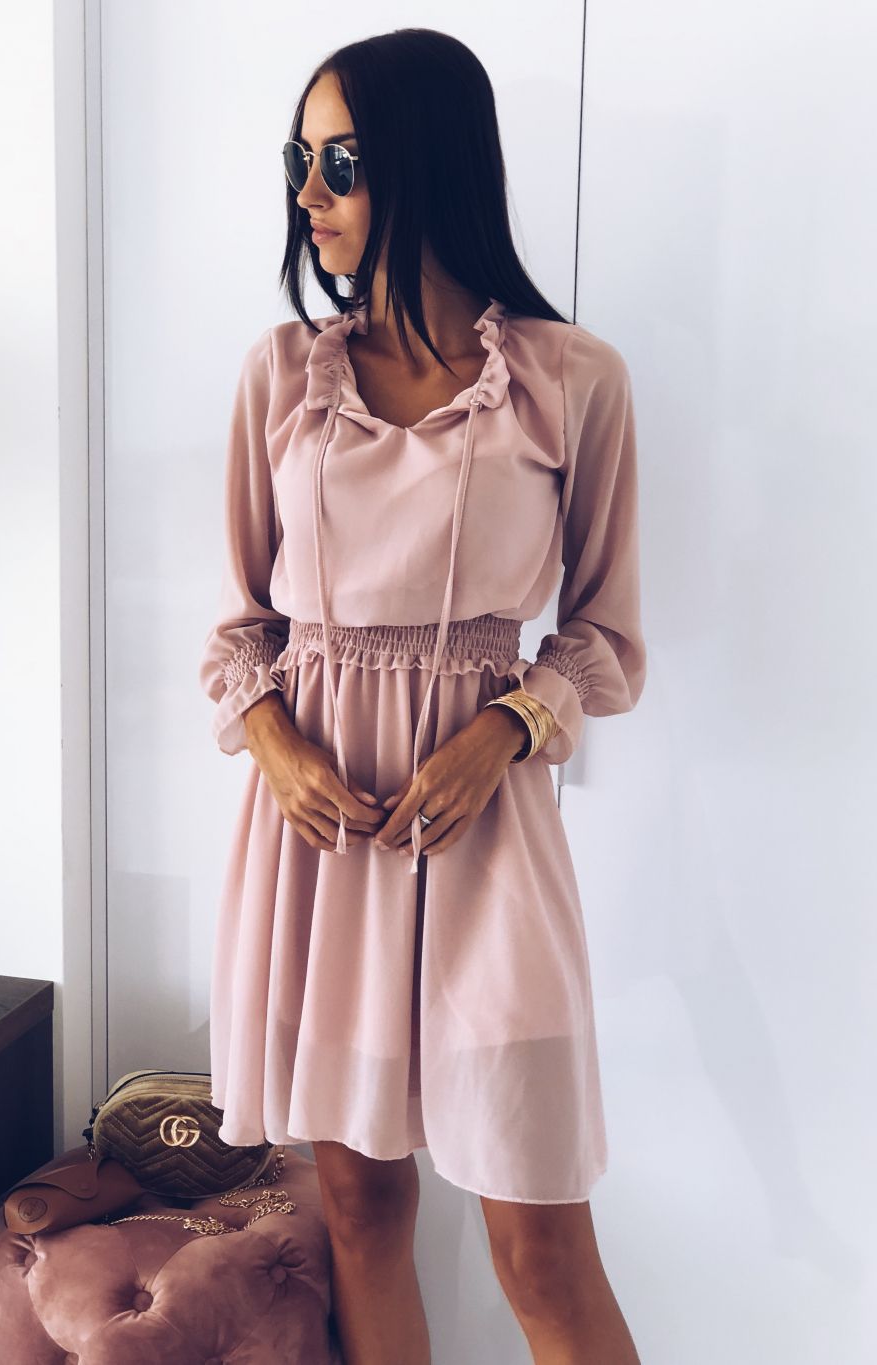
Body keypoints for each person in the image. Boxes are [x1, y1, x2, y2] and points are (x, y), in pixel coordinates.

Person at [198, 28, 646, 1365]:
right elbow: (238, 626)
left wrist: (505, 729)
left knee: (542, 1249)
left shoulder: (571, 380)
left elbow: (606, 635)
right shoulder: (283, 376)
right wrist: (273, 741)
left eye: (340, 161)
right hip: (321, 846)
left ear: (428, 159)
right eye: (299, 161)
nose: (308, 193)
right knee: (360, 1207)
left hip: (489, 839)